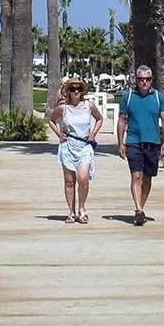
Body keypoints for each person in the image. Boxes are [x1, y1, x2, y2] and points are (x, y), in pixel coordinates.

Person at [117, 66, 164, 225]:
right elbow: (121, 121)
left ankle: (141, 208)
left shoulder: (159, 97)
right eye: (141, 79)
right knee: (136, 176)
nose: (144, 82)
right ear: (136, 80)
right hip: (133, 142)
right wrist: (120, 143)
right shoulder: (128, 97)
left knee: (147, 178)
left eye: (147, 79)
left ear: (151, 80)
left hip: (153, 143)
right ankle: (139, 209)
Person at [48, 78, 102, 223]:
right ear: (68, 91)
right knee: (69, 181)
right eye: (73, 89)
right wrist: (59, 134)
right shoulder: (63, 108)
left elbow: (99, 119)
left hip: (84, 145)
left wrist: (93, 133)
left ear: (82, 90)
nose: (76, 91)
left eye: (78, 88)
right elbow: (51, 120)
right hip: (68, 145)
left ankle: (82, 209)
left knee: (83, 178)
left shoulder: (89, 106)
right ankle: (71, 212)